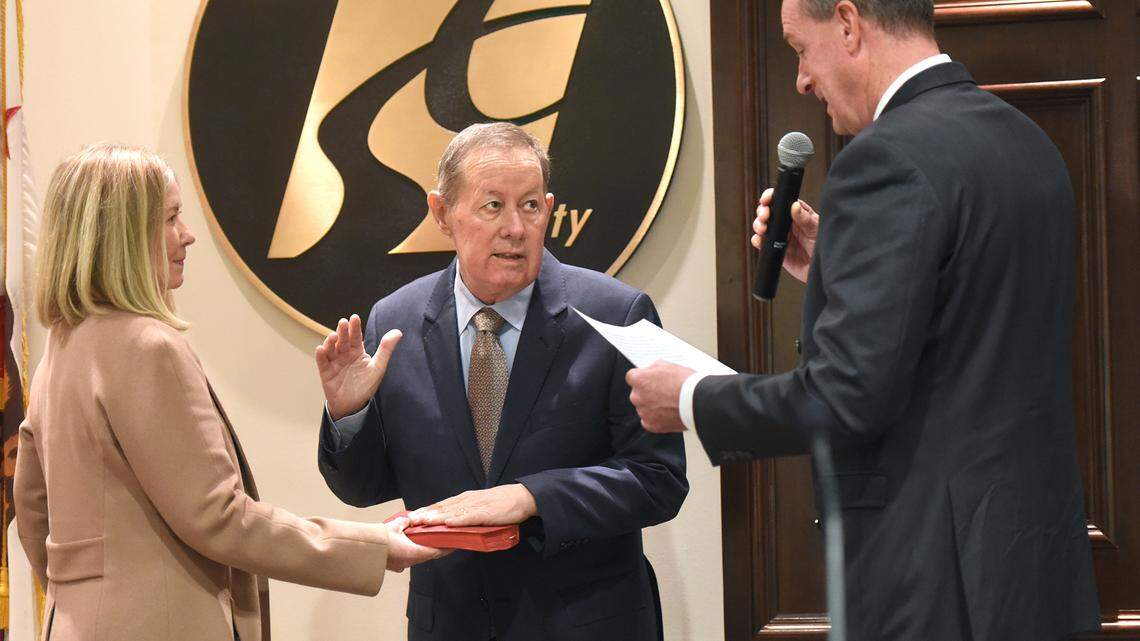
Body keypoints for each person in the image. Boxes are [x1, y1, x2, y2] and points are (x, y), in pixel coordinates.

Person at [625, 0, 1101, 639]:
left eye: (800, 48)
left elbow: (843, 397)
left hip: (935, 580)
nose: (801, 78)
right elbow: (967, 327)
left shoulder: (885, 159)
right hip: (1035, 567)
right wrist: (832, 265)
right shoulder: (1025, 141)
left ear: (848, 24)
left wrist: (689, 398)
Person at [14, 143, 446, 641]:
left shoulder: (63, 346)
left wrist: (94, 596)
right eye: (172, 218)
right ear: (126, 236)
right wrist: (374, 547)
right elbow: (219, 517)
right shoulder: (147, 347)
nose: (188, 235)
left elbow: (32, 510)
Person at [315, 122, 688, 641]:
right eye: (493, 206)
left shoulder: (618, 315)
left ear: (549, 210)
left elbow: (658, 480)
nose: (516, 227)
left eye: (531, 206)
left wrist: (531, 496)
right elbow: (362, 489)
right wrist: (348, 416)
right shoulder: (392, 321)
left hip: (586, 623)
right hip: (450, 625)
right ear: (442, 213)